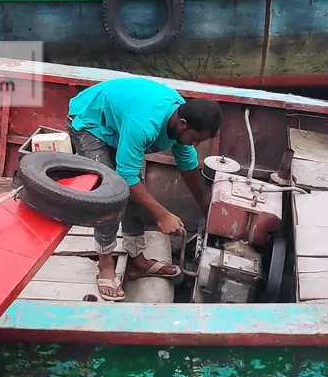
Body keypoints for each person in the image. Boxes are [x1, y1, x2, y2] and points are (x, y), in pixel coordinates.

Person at [66, 76, 222, 302]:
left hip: (120, 123)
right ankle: (105, 264)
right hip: (89, 121)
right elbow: (126, 177)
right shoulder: (144, 123)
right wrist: (162, 214)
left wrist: (208, 210)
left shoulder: (180, 118)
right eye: (196, 139)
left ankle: (137, 262)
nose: (196, 144)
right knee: (111, 193)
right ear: (183, 124)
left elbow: (188, 166)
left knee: (136, 192)